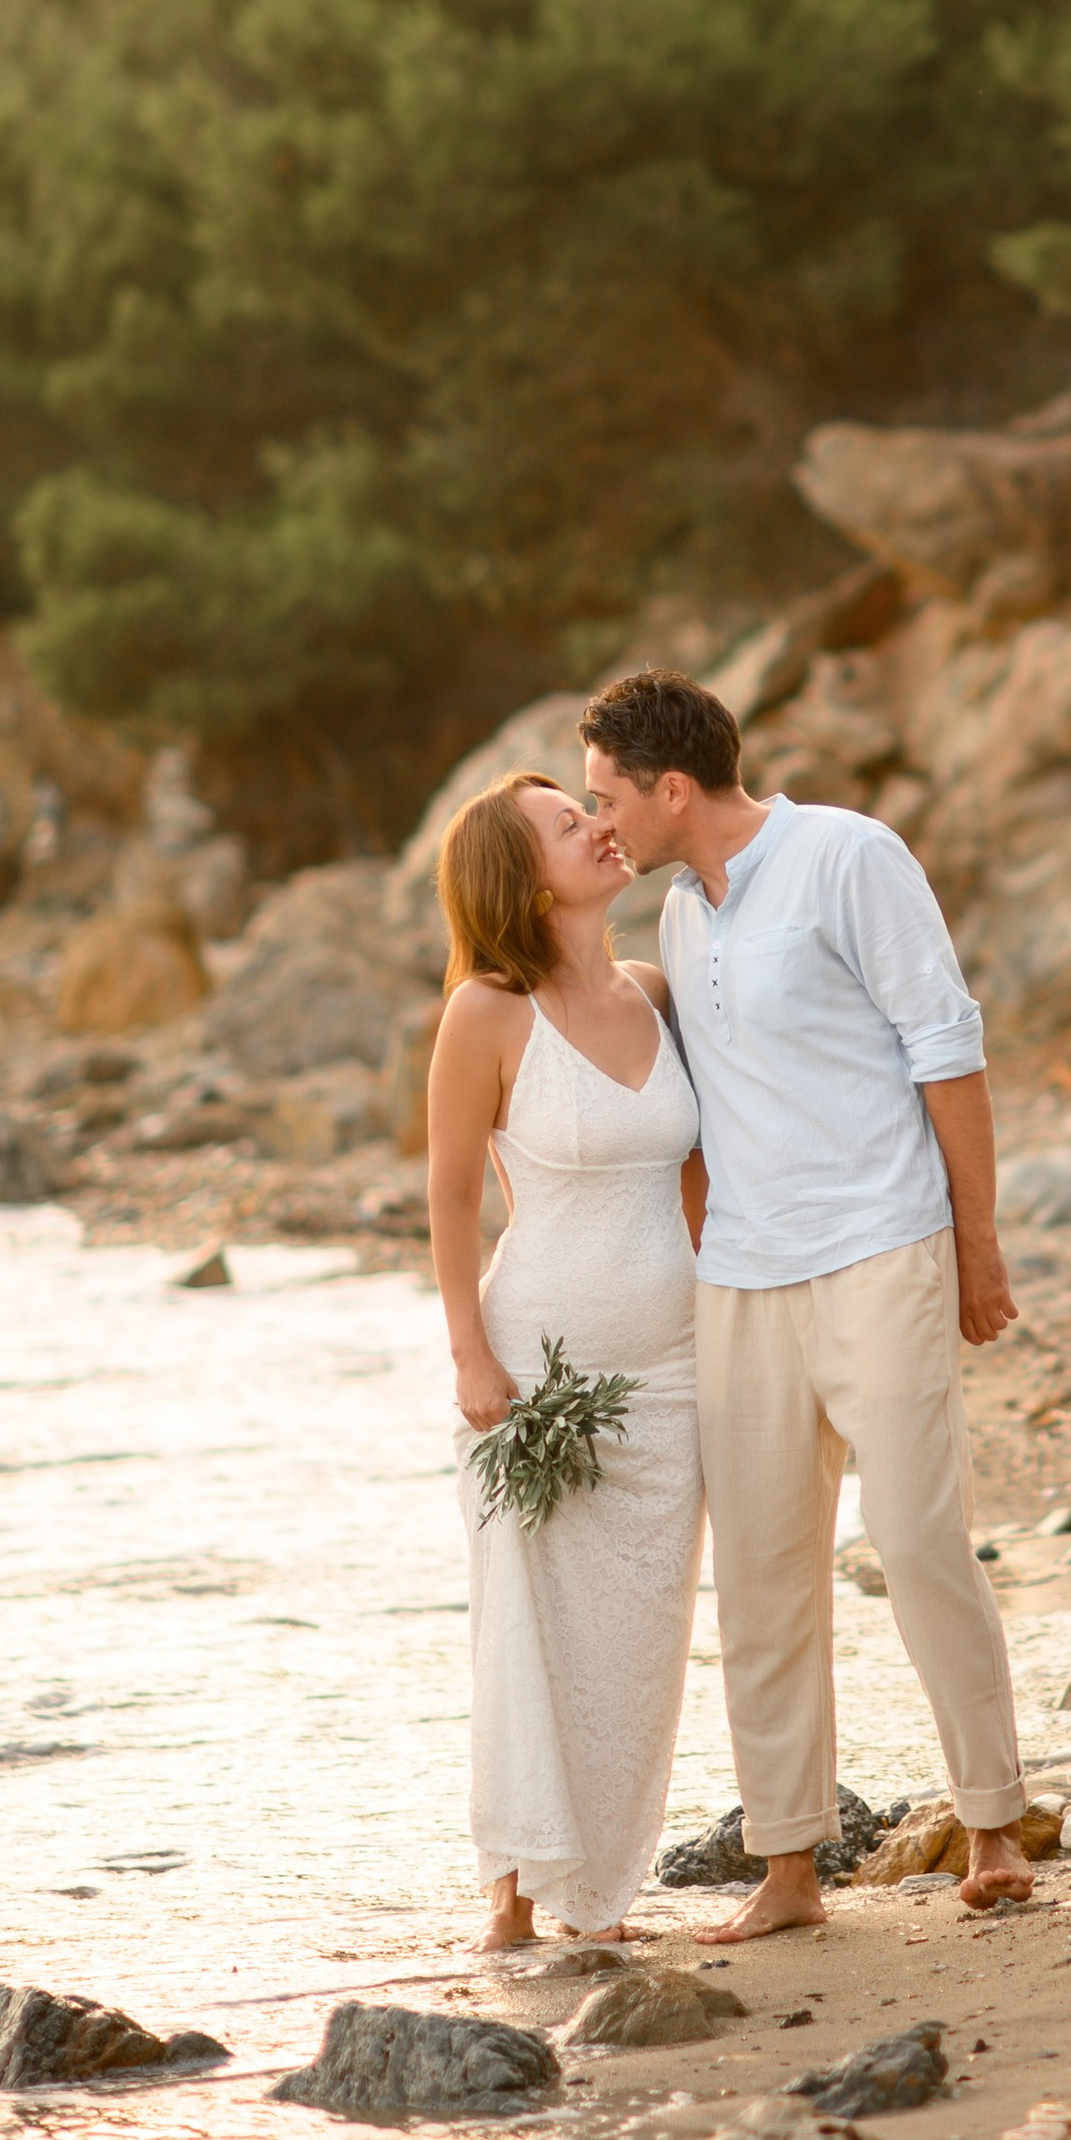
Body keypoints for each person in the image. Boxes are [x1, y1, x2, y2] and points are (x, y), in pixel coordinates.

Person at [578, 667, 1034, 1936]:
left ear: (674, 787)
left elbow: (947, 1046)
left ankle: (991, 1822)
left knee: (918, 1532)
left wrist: (975, 1244)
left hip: (883, 1245)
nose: (598, 819)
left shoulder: (848, 853)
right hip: (745, 1277)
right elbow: (703, 1113)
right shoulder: (675, 912)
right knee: (765, 1576)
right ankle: (787, 1864)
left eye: (608, 795)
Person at [426, 770, 705, 1952]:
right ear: (519, 873)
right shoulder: (487, 1011)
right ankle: (513, 1894)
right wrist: (471, 1359)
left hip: (679, 1366)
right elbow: (446, 1199)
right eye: (564, 821)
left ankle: (600, 1890)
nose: (598, 824)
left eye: (588, 806)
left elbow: (699, 1178)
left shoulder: (653, 986)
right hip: (537, 1365)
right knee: (527, 1623)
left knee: (639, 1631)